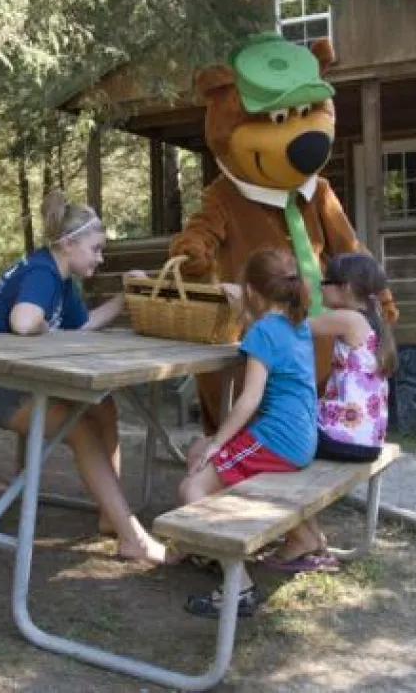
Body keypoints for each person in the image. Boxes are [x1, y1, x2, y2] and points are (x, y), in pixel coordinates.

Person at [0, 190, 171, 564]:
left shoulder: (63, 279)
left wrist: (124, 296)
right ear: (69, 244)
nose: (100, 258)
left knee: (103, 407)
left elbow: (84, 326)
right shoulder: (42, 271)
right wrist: (46, 333)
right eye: (96, 249)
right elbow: (23, 322)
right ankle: (131, 536)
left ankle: (111, 515)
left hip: (8, 378)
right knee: (82, 429)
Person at [179, 248, 318, 617]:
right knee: (209, 462)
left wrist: (218, 444)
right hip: (302, 437)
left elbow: (248, 400)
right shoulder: (296, 320)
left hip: (278, 440)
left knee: (193, 486)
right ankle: (214, 547)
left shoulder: (262, 332)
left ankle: (239, 588)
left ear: (253, 293)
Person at [263, 252, 398, 572]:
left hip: (345, 436)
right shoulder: (371, 321)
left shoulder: (349, 319)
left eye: (325, 283)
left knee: (273, 443)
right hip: (365, 438)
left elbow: (295, 327)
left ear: (346, 287)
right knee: (283, 439)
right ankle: (307, 535)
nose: (320, 288)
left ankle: (301, 537)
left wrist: (259, 301)